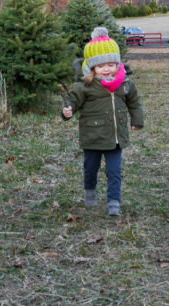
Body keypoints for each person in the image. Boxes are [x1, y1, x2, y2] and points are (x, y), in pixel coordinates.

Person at [61, 27, 144, 216]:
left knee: (114, 171)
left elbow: (135, 102)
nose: (106, 69)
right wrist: (67, 110)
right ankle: (89, 193)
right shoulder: (85, 85)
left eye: (111, 64)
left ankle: (114, 202)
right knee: (91, 168)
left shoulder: (125, 84)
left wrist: (137, 120)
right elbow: (72, 100)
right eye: (101, 66)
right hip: (92, 136)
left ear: (117, 64)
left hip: (115, 137)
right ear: (92, 68)